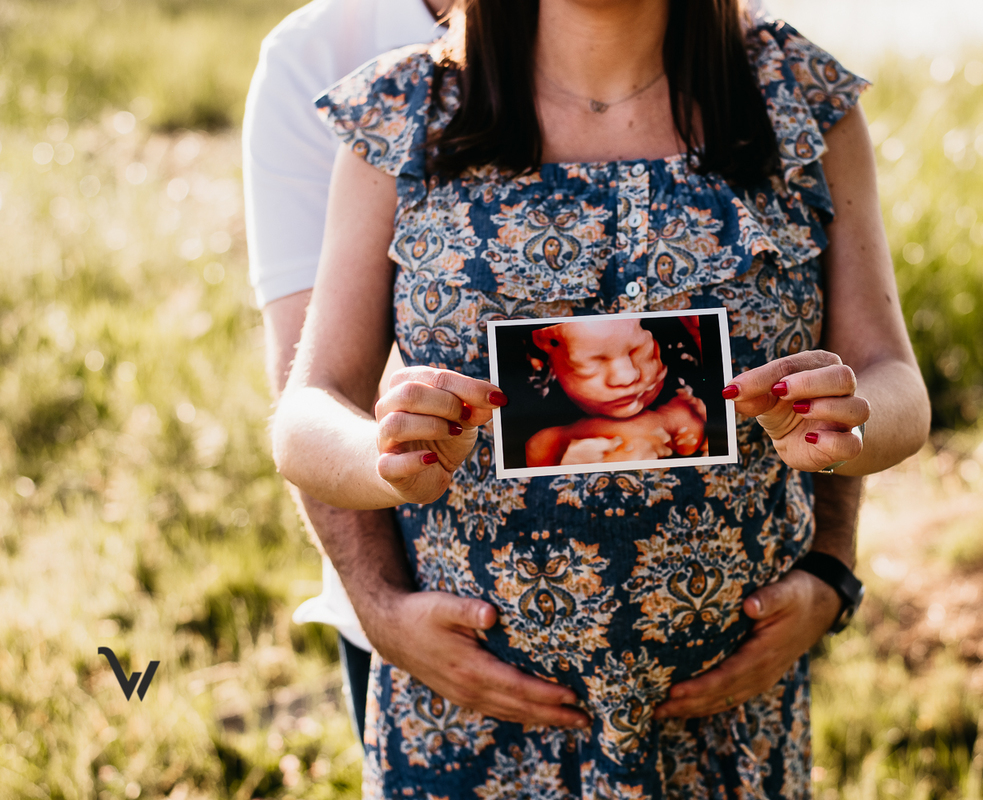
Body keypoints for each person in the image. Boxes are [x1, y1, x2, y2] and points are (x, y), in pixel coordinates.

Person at [273, 1, 930, 796]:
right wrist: (383, 459)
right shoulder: (404, 111)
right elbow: (308, 409)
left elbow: (893, 377)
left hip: (729, 727)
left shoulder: (799, 98)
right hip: (470, 726)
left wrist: (848, 425)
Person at [242, 0, 450, 744]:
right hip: (428, 612)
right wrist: (382, 606)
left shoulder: (722, 44)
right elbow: (312, 379)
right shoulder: (319, 59)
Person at [520, 317, 711, 466]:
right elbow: (534, 455)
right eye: (595, 362)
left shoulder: (682, 400)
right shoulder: (545, 429)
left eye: (638, 351)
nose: (627, 377)